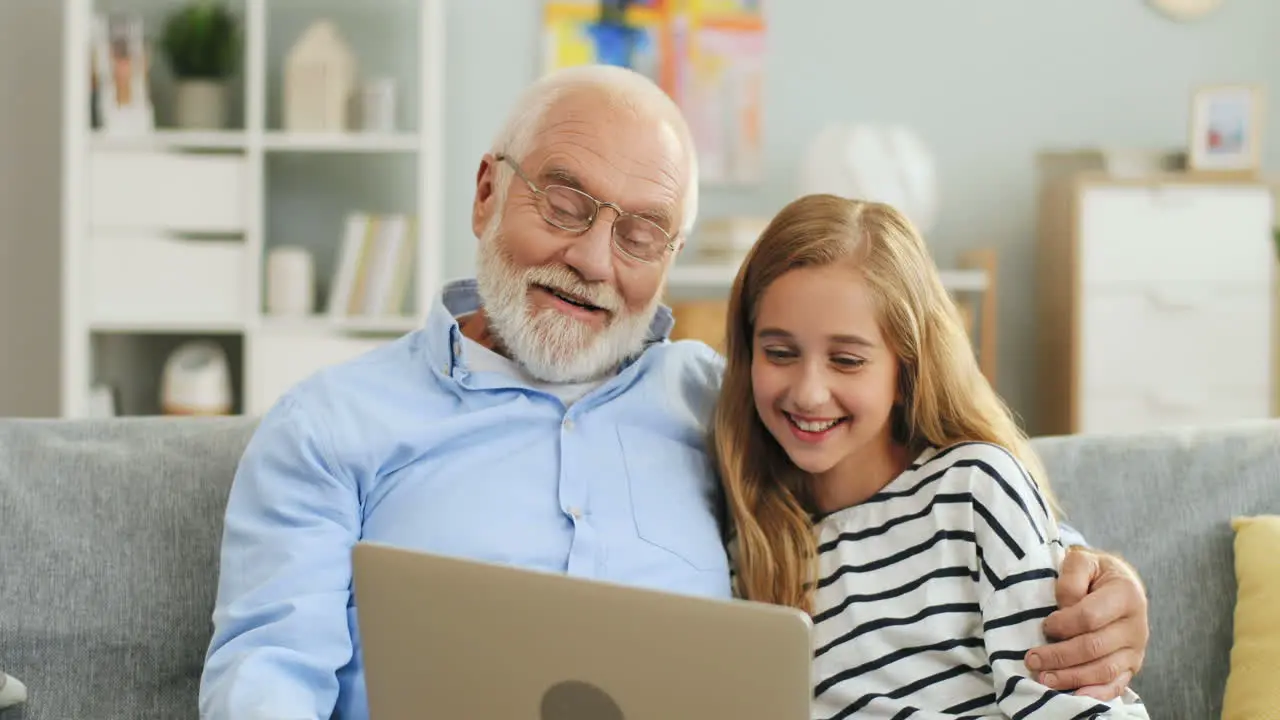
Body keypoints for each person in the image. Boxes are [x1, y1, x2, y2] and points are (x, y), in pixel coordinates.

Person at [198, 65, 1149, 720]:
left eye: (643, 232)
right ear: (488, 193)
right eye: (564, 203)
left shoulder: (728, 406)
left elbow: (912, 487)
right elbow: (266, 681)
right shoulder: (331, 427)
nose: (592, 259)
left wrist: (1097, 580)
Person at [713, 193, 1149, 718]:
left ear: (906, 369)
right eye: (779, 353)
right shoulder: (748, 545)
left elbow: (1067, 704)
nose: (808, 392)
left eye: (847, 360)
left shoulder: (972, 490)